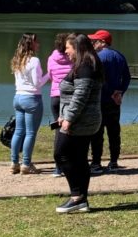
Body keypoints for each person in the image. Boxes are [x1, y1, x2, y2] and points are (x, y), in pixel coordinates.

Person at [54, 33, 104, 213]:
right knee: (79, 158)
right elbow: (72, 96)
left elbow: (80, 96)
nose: (65, 51)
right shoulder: (86, 65)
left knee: (61, 154)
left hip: (80, 122)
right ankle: (82, 199)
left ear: (77, 48)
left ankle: (76, 196)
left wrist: (69, 118)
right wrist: (63, 114)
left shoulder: (85, 67)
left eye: (67, 47)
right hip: (83, 120)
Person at [88, 29, 131, 174]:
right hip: (114, 101)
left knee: (96, 133)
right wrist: (120, 91)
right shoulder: (120, 56)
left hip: (100, 100)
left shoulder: (97, 57)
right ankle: (113, 162)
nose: (92, 43)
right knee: (114, 132)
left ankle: (96, 163)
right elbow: (127, 77)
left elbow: (97, 79)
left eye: (95, 41)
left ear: (102, 42)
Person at [9, 33, 51, 175]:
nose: (38, 44)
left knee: (19, 131)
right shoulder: (34, 61)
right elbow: (37, 83)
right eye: (36, 42)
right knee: (31, 133)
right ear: (30, 44)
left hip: (18, 97)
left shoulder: (17, 59)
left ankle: (14, 162)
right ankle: (26, 164)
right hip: (32, 98)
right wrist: (49, 75)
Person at [47, 33, 72, 177]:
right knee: (71, 130)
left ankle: (57, 167)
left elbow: (50, 76)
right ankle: (70, 164)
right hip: (69, 98)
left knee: (58, 130)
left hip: (55, 96)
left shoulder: (51, 58)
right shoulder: (73, 58)